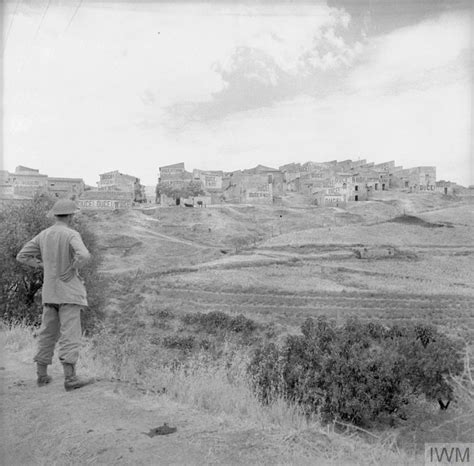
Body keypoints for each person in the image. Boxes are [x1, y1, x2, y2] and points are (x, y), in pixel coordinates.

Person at [16, 199, 95, 391]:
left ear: (55, 215)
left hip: (50, 293)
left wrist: (42, 265)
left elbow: (22, 256)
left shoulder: (44, 235)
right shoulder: (71, 234)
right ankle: (71, 379)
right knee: (70, 335)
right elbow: (84, 256)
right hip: (69, 293)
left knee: (47, 333)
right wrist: (73, 268)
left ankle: (42, 376)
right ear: (70, 216)